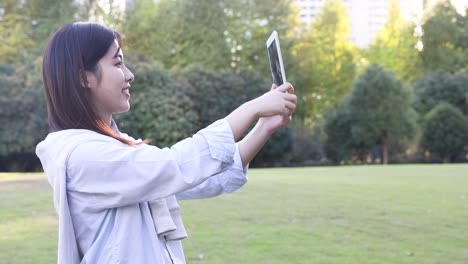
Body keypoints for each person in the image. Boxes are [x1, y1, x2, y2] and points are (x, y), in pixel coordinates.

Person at [36, 22, 296, 264]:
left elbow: (204, 178)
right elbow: (175, 165)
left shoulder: (114, 149)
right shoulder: (83, 156)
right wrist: (250, 110)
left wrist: (263, 127)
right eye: (117, 64)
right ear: (85, 78)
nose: (129, 75)